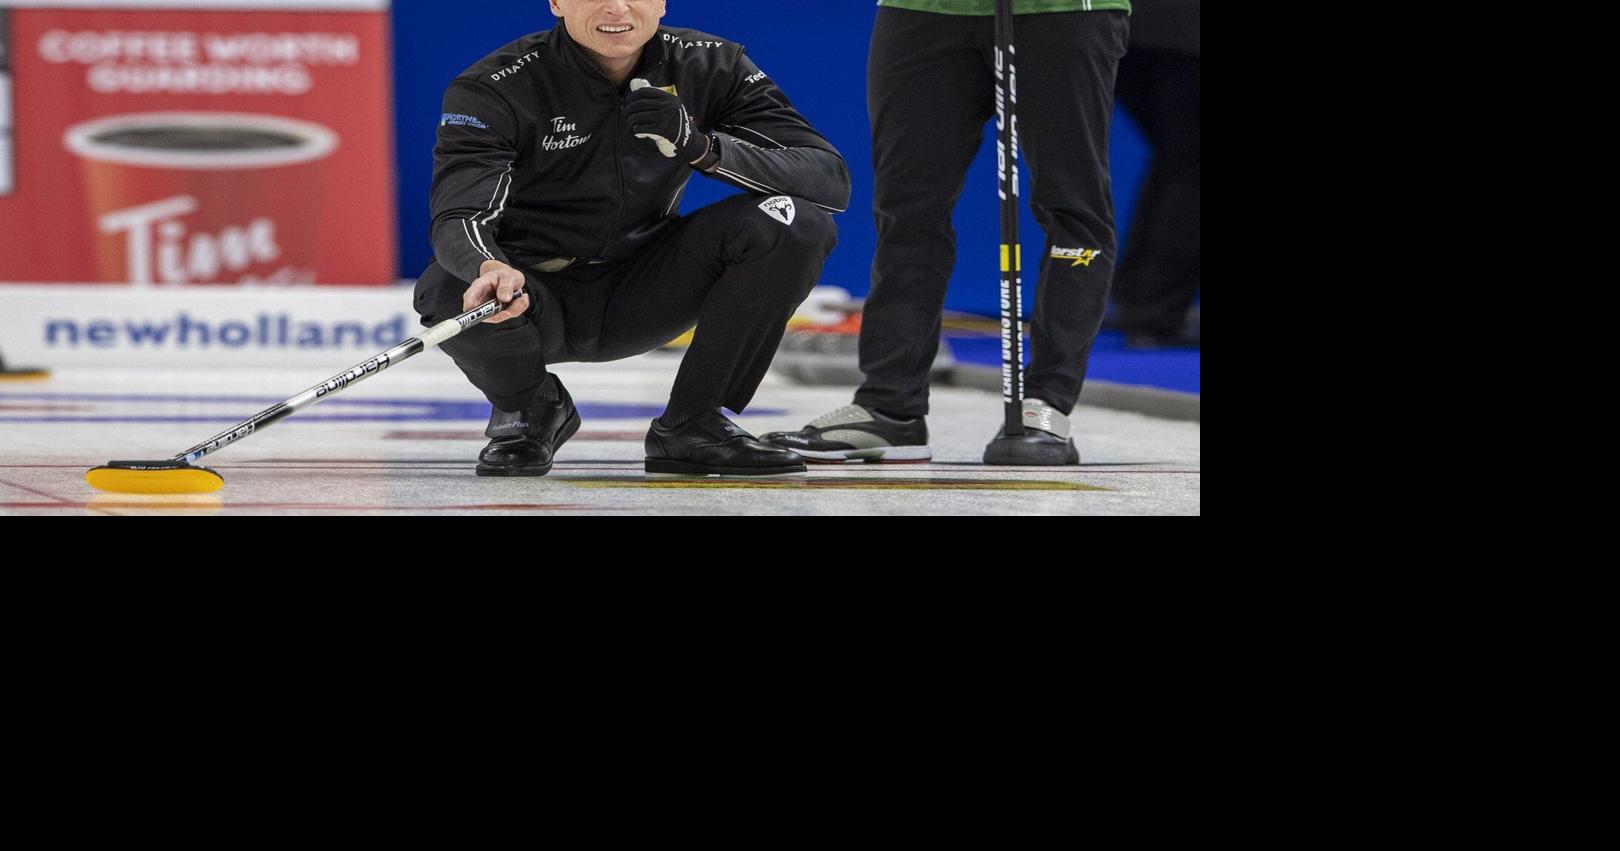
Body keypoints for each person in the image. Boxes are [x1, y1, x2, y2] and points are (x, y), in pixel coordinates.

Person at [415, 0, 850, 477]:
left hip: (645, 285)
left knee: (794, 222)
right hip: (529, 294)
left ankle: (692, 425)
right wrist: (489, 267)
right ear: (556, 2)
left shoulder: (711, 64)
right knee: (450, 287)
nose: (616, 8)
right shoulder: (494, 86)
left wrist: (701, 148)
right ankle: (531, 408)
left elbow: (828, 181)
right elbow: (459, 214)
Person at [763, 0, 1129, 465]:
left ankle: (1045, 403)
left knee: (1072, 204)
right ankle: (889, 407)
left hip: (1060, 10)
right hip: (921, 9)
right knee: (907, 207)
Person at [1109, 0, 1200, 350]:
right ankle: (1153, 312)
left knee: (1178, 163)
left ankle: (1137, 299)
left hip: (1127, 28)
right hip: (1184, 36)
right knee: (1188, 165)